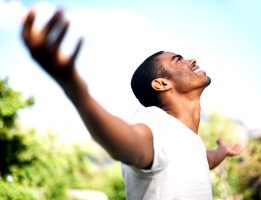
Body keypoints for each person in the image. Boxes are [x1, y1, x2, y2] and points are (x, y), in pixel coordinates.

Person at [21, 9, 242, 200]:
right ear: (161, 83)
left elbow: (204, 159)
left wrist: (222, 151)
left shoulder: (188, 142)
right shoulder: (156, 123)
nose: (192, 60)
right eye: (178, 59)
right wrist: (75, 89)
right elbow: (128, 143)